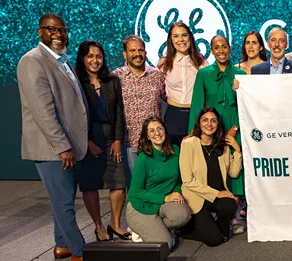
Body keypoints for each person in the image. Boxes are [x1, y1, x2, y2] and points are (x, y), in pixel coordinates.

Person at [17, 13, 87, 261]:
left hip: (64, 146)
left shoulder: (61, 61)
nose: (58, 34)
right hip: (53, 148)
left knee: (64, 197)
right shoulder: (33, 61)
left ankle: (63, 244)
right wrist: (63, 146)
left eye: (61, 29)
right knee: (63, 202)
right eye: (51, 29)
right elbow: (43, 111)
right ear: (40, 32)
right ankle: (80, 252)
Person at [75, 40, 129, 241]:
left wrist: (117, 139)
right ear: (82, 58)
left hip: (110, 137)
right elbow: (73, 116)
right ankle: (99, 226)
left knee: (119, 182)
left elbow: (118, 111)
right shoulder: (77, 82)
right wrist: (87, 142)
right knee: (90, 184)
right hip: (88, 139)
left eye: (98, 56)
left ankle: (115, 224)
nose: (95, 60)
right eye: (90, 56)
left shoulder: (112, 80)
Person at [190, 34, 246, 198]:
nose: (221, 51)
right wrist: (195, 132)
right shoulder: (204, 74)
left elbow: (245, 106)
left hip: (235, 126)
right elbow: (197, 105)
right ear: (212, 51)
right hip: (211, 128)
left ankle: (235, 213)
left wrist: (235, 128)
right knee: (214, 165)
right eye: (216, 47)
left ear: (229, 48)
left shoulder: (240, 73)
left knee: (236, 166)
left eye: (224, 47)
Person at [179, 107, 242, 246]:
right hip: (197, 196)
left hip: (216, 198)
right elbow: (187, 181)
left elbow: (234, 172)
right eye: (205, 120)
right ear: (199, 123)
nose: (209, 124)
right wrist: (217, 193)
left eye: (213, 121)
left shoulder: (222, 146)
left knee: (231, 204)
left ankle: (218, 227)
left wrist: (237, 150)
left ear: (218, 124)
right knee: (214, 240)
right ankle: (183, 230)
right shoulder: (188, 144)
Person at [126, 117, 192, 247]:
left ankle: (153, 230)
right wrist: (166, 197)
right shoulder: (143, 158)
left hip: (162, 203)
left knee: (183, 215)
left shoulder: (175, 151)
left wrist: (177, 192)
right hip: (141, 206)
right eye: (151, 131)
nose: (157, 133)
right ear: (147, 137)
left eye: (159, 128)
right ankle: (140, 228)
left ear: (165, 131)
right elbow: (136, 192)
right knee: (166, 244)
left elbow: (179, 180)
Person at [112, 35, 166, 174]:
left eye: (141, 50)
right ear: (125, 54)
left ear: (146, 53)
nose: (137, 54)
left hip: (155, 143)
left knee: (155, 185)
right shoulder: (116, 76)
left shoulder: (157, 75)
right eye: (132, 50)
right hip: (130, 144)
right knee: (135, 187)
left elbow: (172, 99)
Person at [157, 21, 208, 147]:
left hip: (195, 114)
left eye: (184, 35)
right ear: (171, 40)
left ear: (190, 37)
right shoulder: (164, 62)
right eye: (176, 36)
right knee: (174, 157)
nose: (181, 39)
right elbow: (159, 89)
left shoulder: (201, 62)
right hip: (173, 115)